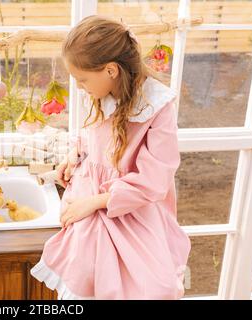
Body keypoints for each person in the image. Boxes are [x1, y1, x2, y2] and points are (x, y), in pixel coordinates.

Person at [30, 15, 191, 300]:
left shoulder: (157, 107)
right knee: (86, 271)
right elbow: (94, 138)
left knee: (149, 285)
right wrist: (74, 153)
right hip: (89, 197)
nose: (79, 86)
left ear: (111, 70)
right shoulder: (102, 91)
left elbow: (153, 180)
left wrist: (93, 203)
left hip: (131, 209)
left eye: (82, 79)